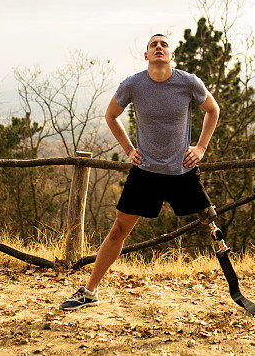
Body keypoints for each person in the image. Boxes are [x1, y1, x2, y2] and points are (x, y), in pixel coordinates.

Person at [60, 33, 220, 310]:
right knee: (118, 230)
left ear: (172, 55)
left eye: (164, 44)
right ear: (146, 55)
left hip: (182, 170)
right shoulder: (134, 84)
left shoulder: (188, 83)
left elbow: (213, 110)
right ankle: (89, 292)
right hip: (145, 172)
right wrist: (128, 149)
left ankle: (233, 286)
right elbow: (111, 115)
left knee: (212, 222)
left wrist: (201, 147)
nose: (159, 47)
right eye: (153, 45)